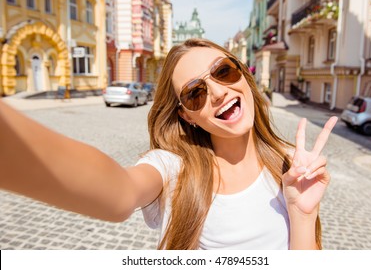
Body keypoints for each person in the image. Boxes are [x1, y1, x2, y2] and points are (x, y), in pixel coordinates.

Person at [0, 38, 338, 250]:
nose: (218, 92)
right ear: (187, 115)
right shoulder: (174, 167)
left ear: (244, 76)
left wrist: (303, 213)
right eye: (196, 92)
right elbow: (119, 193)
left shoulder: (292, 167)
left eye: (223, 71)